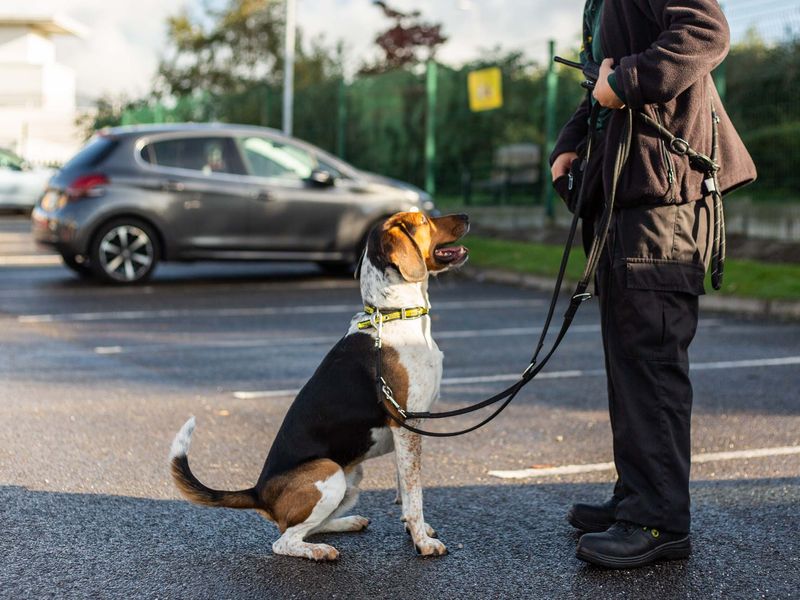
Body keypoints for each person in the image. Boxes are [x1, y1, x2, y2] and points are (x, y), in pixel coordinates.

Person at [550, 0, 756, 569]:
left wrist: (626, 81)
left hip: (662, 204)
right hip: (624, 197)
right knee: (628, 361)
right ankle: (636, 495)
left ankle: (658, 519)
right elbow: (600, 81)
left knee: (651, 359)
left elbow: (705, 32)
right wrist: (569, 143)